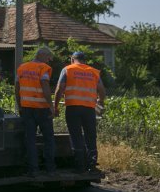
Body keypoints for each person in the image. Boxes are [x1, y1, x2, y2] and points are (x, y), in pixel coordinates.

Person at [53, 51, 106, 174]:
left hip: (73, 108)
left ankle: (79, 166)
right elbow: (102, 90)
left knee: (76, 135)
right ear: (84, 60)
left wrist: (55, 107)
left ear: (72, 59)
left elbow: (59, 89)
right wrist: (100, 101)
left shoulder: (67, 70)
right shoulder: (93, 71)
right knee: (90, 135)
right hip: (89, 108)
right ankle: (92, 165)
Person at [15, 47, 56, 177]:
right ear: (43, 55)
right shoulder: (43, 68)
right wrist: (51, 106)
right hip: (42, 108)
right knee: (48, 139)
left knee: (30, 139)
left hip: (27, 108)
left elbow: (17, 88)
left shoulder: (22, 68)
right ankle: (50, 169)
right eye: (48, 58)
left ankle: (33, 169)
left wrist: (20, 105)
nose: (48, 61)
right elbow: (45, 85)